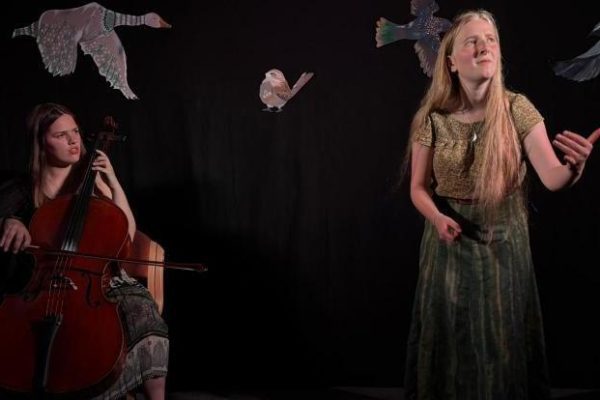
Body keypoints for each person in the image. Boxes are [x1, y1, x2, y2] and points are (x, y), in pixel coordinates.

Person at [402, 9, 599, 400]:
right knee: (450, 337)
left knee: (500, 338)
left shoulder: (517, 109)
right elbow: (418, 188)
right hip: (448, 244)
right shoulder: (433, 119)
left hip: (503, 243)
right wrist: (437, 218)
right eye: (472, 41)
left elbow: (552, 178)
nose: (484, 47)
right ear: (451, 62)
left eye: (490, 40)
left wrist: (574, 168)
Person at [0, 103, 168, 400]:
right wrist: (9, 220)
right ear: (41, 143)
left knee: (142, 310)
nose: (73, 141)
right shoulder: (22, 189)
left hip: (96, 284)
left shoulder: (90, 181)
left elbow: (127, 234)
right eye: (61, 135)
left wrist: (113, 181)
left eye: (75, 132)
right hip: (41, 285)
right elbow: (4, 210)